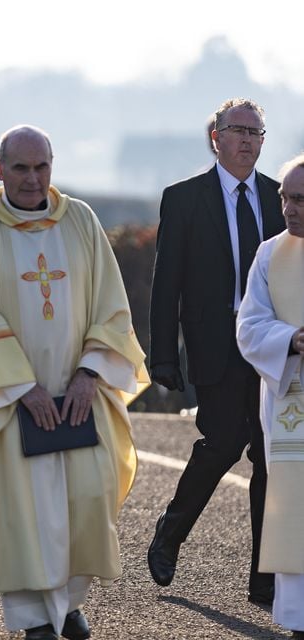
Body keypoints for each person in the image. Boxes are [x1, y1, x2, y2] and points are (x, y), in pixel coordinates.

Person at [0, 125, 147, 640]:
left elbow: (110, 304)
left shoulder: (82, 221)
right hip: (11, 402)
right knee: (21, 509)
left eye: (41, 166)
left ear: (52, 165)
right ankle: (32, 618)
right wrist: (22, 388)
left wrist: (91, 374)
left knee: (84, 500)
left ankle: (68, 605)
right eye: (21, 168)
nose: (32, 179)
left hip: (78, 397)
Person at [147, 98, 285, 605]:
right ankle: (170, 533)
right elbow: (167, 285)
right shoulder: (183, 199)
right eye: (238, 130)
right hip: (215, 340)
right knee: (223, 442)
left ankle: (264, 577)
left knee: (269, 458)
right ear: (216, 137)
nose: (248, 140)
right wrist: (162, 354)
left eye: (257, 132)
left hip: (270, 343)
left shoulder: (280, 198)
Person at [237, 153, 304, 639]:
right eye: (284, 197)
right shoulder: (268, 254)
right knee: (293, 507)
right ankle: (300, 618)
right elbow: (250, 325)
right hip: (290, 404)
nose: (289, 207)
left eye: (299, 199)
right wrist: (292, 340)